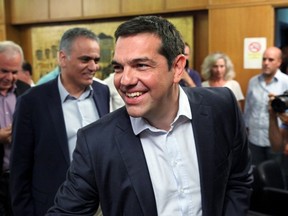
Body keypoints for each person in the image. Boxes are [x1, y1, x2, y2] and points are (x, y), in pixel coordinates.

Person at [46, 16, 253, 216]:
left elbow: (239, 178)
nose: (125, 80)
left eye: (141, 65)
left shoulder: (221, 107)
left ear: (178, 67)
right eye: (119, 67)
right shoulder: (96, 141)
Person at [10, 27, 110, 216]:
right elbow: (20, 168)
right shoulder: (32, 102)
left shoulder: (103, 92)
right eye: (85, 59)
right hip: (54, 206)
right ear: (63, 58)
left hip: (100, 204)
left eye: (96, 60)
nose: (93, 66)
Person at [0, 41, 30, 216]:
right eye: (4, 71)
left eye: (14, 72)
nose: (9, 77)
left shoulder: (27, 91)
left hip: (20, 178)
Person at [244, 46, 288, 166]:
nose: (266, 63)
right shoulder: (253, 81)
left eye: (270, 59)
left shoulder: (286, 82)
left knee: (275, 178)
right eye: (264, 59)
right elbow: (248, 108)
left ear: (279, 62)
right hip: (254, 139)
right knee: (255, 176)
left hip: (276, 140)